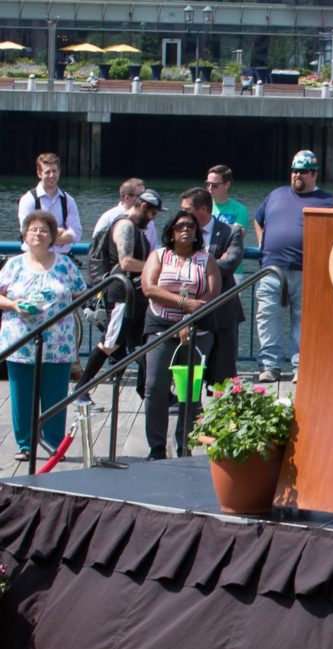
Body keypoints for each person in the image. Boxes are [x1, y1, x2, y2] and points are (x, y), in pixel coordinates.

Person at [0, 211, 86, 461]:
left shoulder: (66, 264)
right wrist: (15, 306)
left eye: (44, 230)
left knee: (55, 393)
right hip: (20, 340)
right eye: (33, 230)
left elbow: (81, 292)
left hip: (58, 342)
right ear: (25, 235)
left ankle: (53, 444)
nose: (38, 234)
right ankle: (26, 445)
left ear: (53, 237)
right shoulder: (13, 264)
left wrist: (61, 310)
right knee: (22, 395)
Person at [139, 210, 222, 460]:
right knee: (155, 386)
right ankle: (156, 448)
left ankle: (184, 444)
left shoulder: (206, 259)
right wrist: (184, 303)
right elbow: (149, 288)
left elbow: (212, 293)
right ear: (171, 232)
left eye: (190, 226)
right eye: (179, 226)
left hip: (197, 330)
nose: (185, 229)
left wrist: (190, 317)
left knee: (189, 391)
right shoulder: (159, 255)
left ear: (197, 232)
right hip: (161, 327)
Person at [253, 150, 333, 384]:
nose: (297, 175)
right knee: (268, 317)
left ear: (314, 174)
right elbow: (258, 219)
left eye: (302, 171)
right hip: (271, 269)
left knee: (305, 321)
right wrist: (262, 241)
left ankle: (301, 367)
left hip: (309, 272)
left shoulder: (330, 201)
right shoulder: (276, 194)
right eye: (294, 171)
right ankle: (270, 366)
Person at [77, 189, 163, 402]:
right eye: (153, 214)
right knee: (110, 342)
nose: (153, 219)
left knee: (144, 342)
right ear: (143, 207)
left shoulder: (136, 228)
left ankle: (148, 391)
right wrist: (158, 267)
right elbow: (126, 262)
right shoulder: (125, 226)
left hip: (136, 294)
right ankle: (81, 389)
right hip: (122, 295)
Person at [179, 187, 244, 385]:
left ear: (204, 209)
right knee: (189, 369)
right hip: (188, 308)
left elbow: (231, 262)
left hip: (221, 310)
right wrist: (214, 263)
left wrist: (197, 266)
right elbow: (173, 261)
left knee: (223, 371)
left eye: (187, 209)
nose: (183, 215)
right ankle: (188, 408)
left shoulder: (230, 231)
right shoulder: (180, 231)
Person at [17, 153, 83, 256]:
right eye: (47, 172)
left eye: (54, 171)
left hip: (61, 258)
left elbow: (76, 234)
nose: (52, 175)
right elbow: (26, 232)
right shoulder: (28, 199)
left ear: (59, 172)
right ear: (39, 173)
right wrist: (60, 231)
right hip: (33, 258)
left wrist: (43, 235)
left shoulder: (68, 201)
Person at [93, 177, 158, 251]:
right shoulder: (108, 217)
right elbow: (96, 248)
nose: (145, 199)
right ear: (127, 198)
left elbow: (152, 248)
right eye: (140, 196)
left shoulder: (148, 219)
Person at [206, 165, 249, 231]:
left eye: (214, 185)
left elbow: (237, 236)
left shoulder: (240, 209)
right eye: (208, 184)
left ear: (227, 185)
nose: (210, 188)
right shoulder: (203, 207)